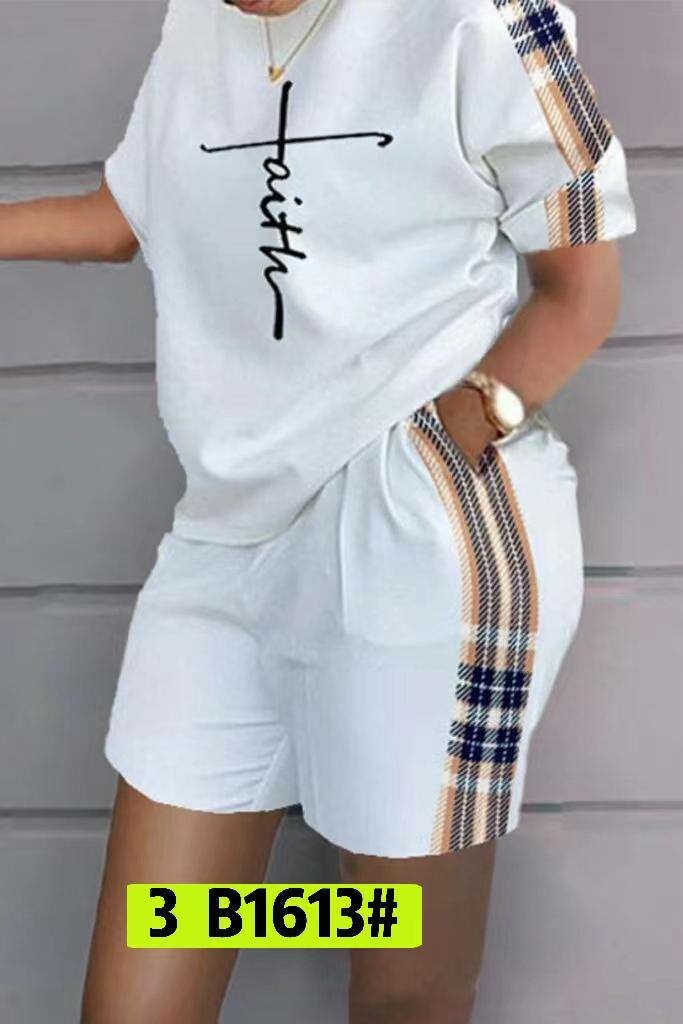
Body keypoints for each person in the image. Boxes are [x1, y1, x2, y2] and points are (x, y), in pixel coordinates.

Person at [1, 0, 637, 1020]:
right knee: (149, 973)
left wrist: (458, 432)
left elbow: (580, 285)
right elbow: (126, 216)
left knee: (403, 989)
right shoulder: (196, 24)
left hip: (412, 537)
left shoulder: (482, 17)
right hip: (223, 541)